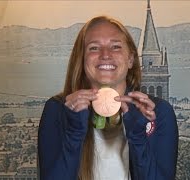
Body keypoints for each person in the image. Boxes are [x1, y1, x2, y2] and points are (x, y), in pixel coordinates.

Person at [38, 15, 178, 180]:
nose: (105, 55)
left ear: (131, 59)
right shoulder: (57, 109)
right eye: (94, 48)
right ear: (81, 59)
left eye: (116, 47)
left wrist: (138, 136)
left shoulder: (159, 112)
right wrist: (74, 133)